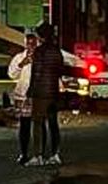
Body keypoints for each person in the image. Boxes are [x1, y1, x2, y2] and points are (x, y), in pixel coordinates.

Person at [26, 23, 66, 166]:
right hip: (53, 92)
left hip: (41, 93)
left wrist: (30, 91)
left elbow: (36, 73)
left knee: (38, 124)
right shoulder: (57, 51)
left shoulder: (39, 51)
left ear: (41, 36)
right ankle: (55, 155)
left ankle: (38, 156)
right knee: (53, 124)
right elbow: (61, 70)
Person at [7, 32, 37, 165]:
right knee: (24, 126)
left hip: (37, 96)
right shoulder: (19, 57)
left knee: (38, 126)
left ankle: (38, 154)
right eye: (28, 43)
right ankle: (24, 153)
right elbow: (11, 74)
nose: (30, 46)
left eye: (33, 43)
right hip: (23, 96)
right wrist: (22, 64)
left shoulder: (41, 57)